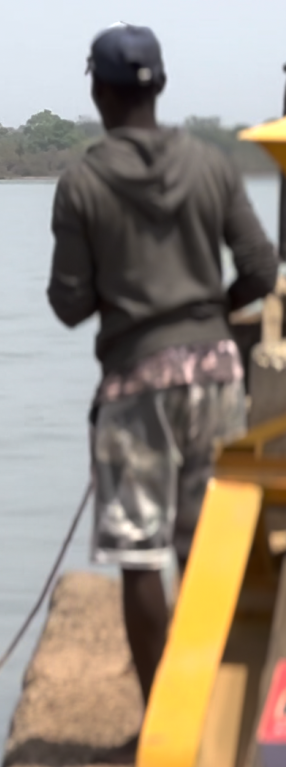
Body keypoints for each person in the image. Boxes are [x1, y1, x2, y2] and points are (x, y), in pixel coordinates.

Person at [47, 23, 279, 703]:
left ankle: (161, 714)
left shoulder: (83, 180)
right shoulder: (210, 164)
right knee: (203, 545)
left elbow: (68, 303)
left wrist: (121, 296)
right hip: (217, 375)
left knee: (139, 551)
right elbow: (263, 268)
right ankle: (214, 703)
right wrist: (209, 309)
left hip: (137, 383)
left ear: (97, 90)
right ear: (163, 86)